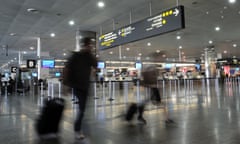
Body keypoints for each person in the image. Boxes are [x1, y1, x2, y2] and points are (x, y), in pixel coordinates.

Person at [65, 37, 97, 139]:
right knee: (82, 109)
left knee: (82, 109)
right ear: (83, 45)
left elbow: (96, 65)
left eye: (91, 45)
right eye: (88, 45)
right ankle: (77, 130)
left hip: (85, 86)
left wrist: (92, 54)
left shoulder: (89, 56)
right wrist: (66, 85)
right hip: (77, 86)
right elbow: (67, 69)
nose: (90, 46)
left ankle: (78, 128)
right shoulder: (76, 56)